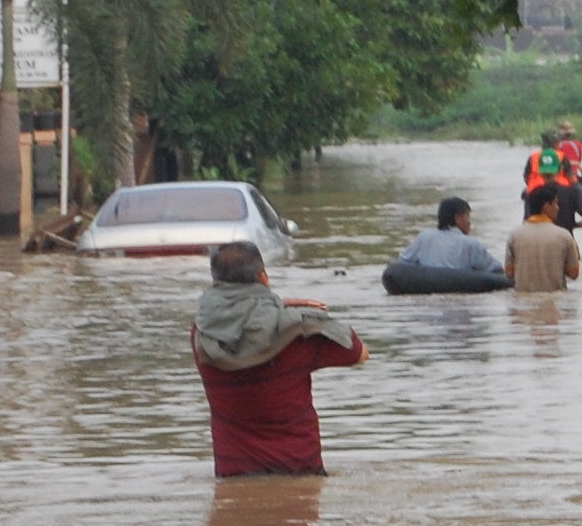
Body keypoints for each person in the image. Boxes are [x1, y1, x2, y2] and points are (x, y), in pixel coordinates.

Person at [191, 241, 366, 477]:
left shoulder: (202, 336)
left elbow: (237, 319)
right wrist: (293, 308)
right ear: (263, 277)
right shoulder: (298, 331)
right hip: (300, 470)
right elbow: (358, 353)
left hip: (232, 473)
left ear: (217, 283)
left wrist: (277, 305)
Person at [393, 196, 503, 275]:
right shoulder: (471, 244)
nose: (469, 222)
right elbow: (496, 269)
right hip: (461, 289)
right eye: (467, 216)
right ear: (458, 218)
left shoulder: (424, 237)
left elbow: (404, 262)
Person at [504, 183, 582, 292]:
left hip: (523, 303)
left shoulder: (514, 235)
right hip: (555, 302)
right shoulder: (564, 236)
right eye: (555, 204)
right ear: (546, 206)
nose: (558, 208)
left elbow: (509, 273)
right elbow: (573, 274)